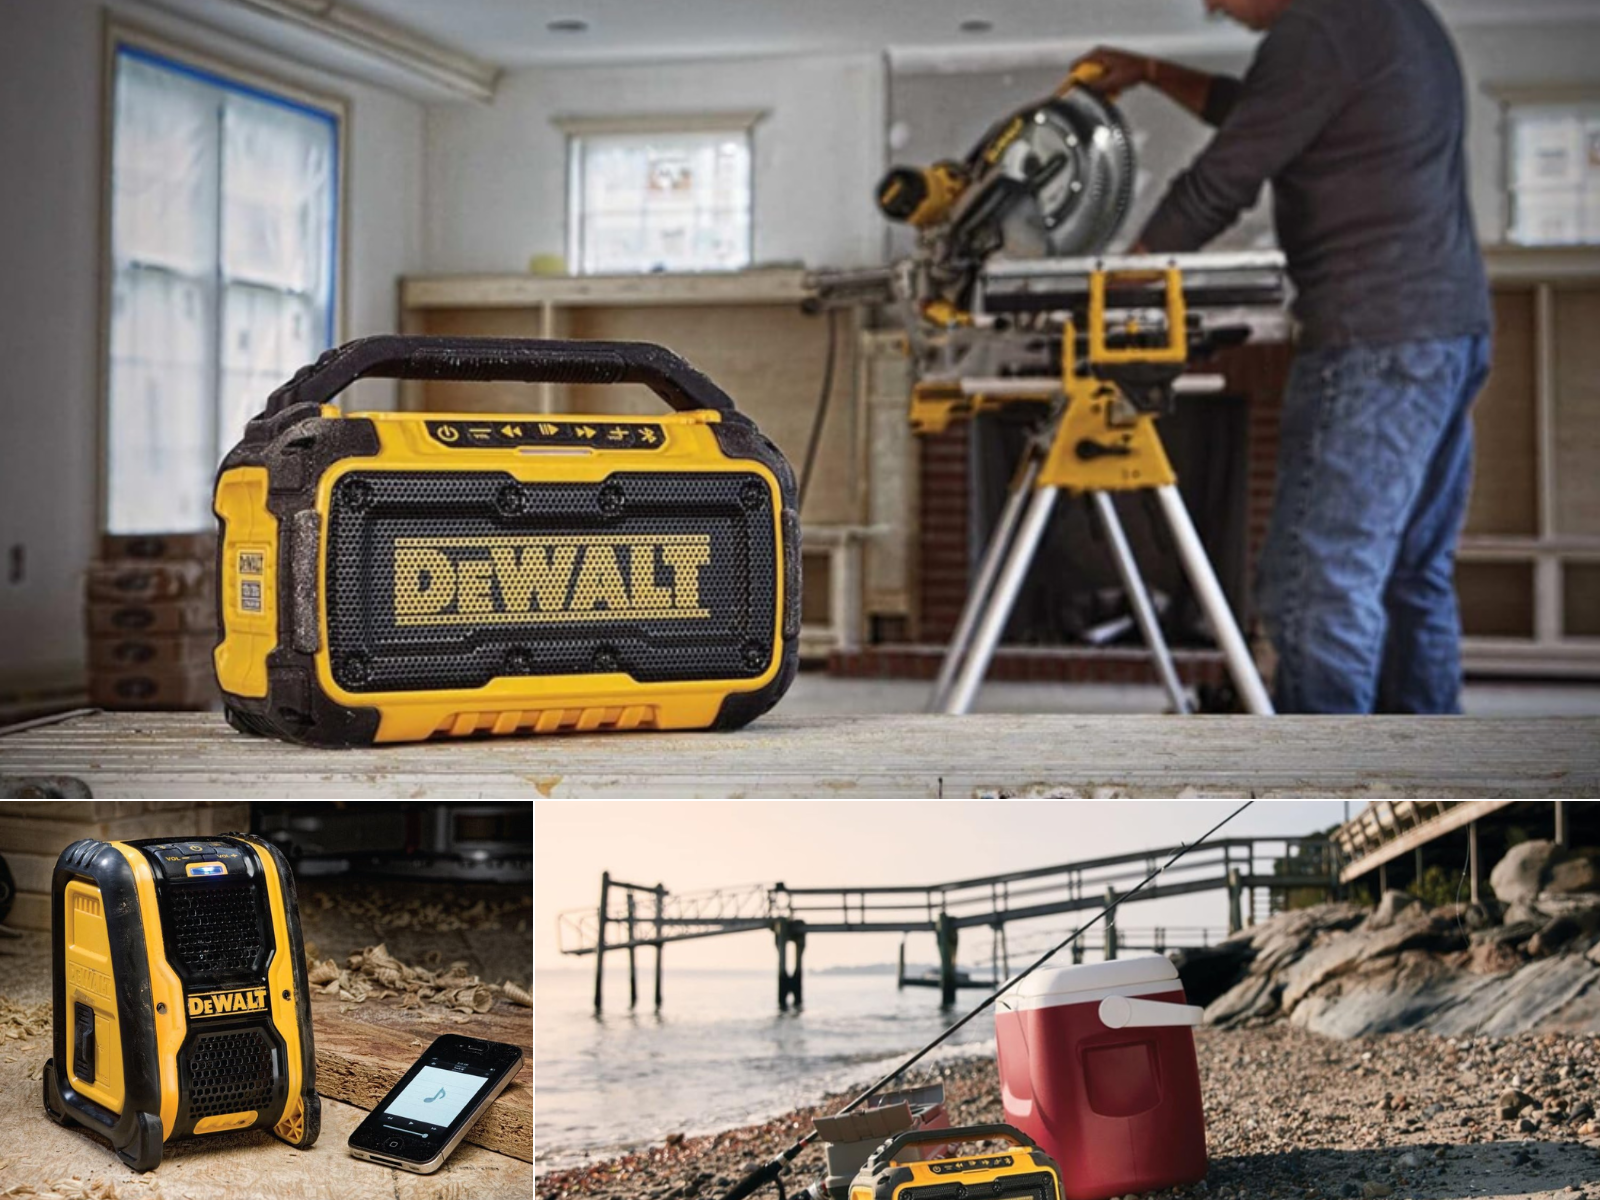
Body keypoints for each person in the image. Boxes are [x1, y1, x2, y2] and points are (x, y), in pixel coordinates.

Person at [1075, 0, 1492, 714]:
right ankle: (1426, 770)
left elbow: (1221, 180)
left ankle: (1326, 782)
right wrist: (1150, 71)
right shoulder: (1387, 19)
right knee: (1407, 576)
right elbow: (1261, 113)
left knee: (1318, 588)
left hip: (1374, 344)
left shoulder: (1319, 28)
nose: (1211, 7)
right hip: (1443, 333)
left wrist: (1116, 283)